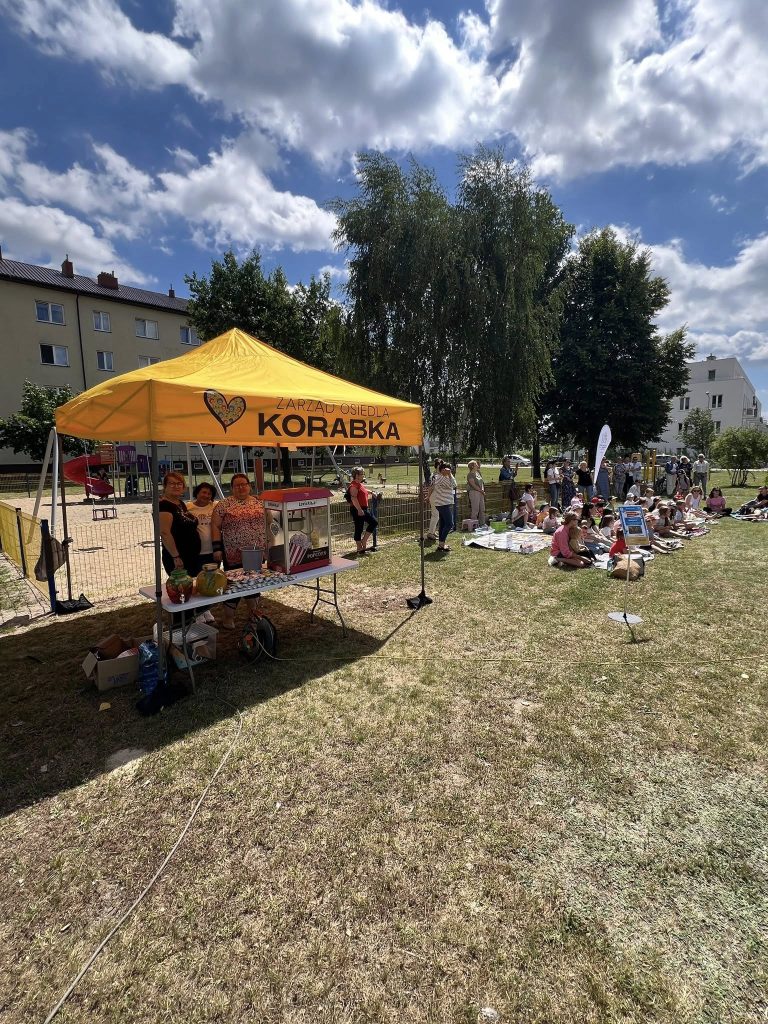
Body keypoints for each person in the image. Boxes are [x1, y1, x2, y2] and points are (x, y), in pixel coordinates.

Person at [210, 473, 267, 628]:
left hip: (257, 552)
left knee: (254, 582)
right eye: (237, 485)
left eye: (244, 484)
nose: (241, 487)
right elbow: (215, 526)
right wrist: (216, 548)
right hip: (234, 553)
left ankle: (253, 614)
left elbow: (269, 522)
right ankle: (228, 618)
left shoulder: (259, 502)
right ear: (232, 488)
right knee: (235, 584)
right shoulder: (224, 505)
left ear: (249, 486)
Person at [158, 471, 201, 577]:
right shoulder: (164, 506)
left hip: (191, 556)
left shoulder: (180, 503)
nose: (176, 486)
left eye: (179, 483)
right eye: (172, 483)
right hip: (178, 558)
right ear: (165, 486)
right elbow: (164, 533)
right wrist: (176, 557)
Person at [186, 481, 218, 571]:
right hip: (196, 552)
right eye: (204, 492)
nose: (206, 495)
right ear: (197, 493)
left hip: (213, 551)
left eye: (209, 494)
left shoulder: (216, 506)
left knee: (212, 576)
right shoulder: (187, 507)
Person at [347, 467, 378, 555]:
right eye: (362, 474)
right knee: (362, 526)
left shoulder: (359, 484)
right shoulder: (354, 485)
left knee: (368, 524)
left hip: (362, 508)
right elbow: (353, 498)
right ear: (357, 475)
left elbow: (363, 490)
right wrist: (359, 510)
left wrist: (371, 492)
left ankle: (362, 543)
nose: (363, 475)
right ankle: (359, 547)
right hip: (358, 509)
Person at [428, 461, 457, 553]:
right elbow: (454, 484)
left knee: (443, 524)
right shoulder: (442, 478)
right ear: (443, 470)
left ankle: (441, 545)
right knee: (449, 524)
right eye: (448, 469)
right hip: (443, 504)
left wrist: (449, 475)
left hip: (441, 504)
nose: (449, 471)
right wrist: (450, 474)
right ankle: (441, 543)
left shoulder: (439, 477)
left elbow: (452, 484)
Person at [425, 457, 441, 542]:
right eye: (441, 464)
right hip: (434, 496)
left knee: (436, 515)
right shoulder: (435, 475)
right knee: (435, 515)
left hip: (437, 496)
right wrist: (428, 497)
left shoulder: (437, 474)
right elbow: (431, 487)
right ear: (438, 466)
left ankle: (433, 531)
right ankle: (430, 533)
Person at [466, 460, 486, 527]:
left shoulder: (478, 473)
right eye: (476, 464)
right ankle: (474, 525)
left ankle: (482, 523)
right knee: (475, 509)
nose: (477, 465)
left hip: (480, 492)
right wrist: (481, 490)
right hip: (474, 492)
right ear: (472, 466)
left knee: (482, 509)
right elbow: (473, 485)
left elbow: (481, 482)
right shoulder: (470, 475)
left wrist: (482, 490)